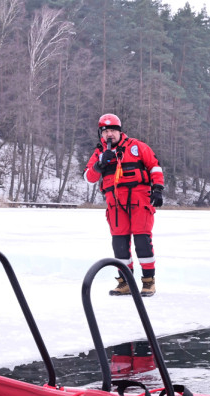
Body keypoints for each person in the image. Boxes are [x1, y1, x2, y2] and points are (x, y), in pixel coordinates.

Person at [84, 113, 165, 297]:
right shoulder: (99, 153)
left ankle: (148, 282)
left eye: (113, 130)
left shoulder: (137, 146)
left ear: (120, 132)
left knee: (142, 242)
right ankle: (125, 282)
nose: (109, 135)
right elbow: (89, 177)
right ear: (101, 134)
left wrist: (158, 189)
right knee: (119, 245)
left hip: (140, 201)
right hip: (115, 205)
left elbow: (154, 166)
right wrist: (99, 165)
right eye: (105, 132)